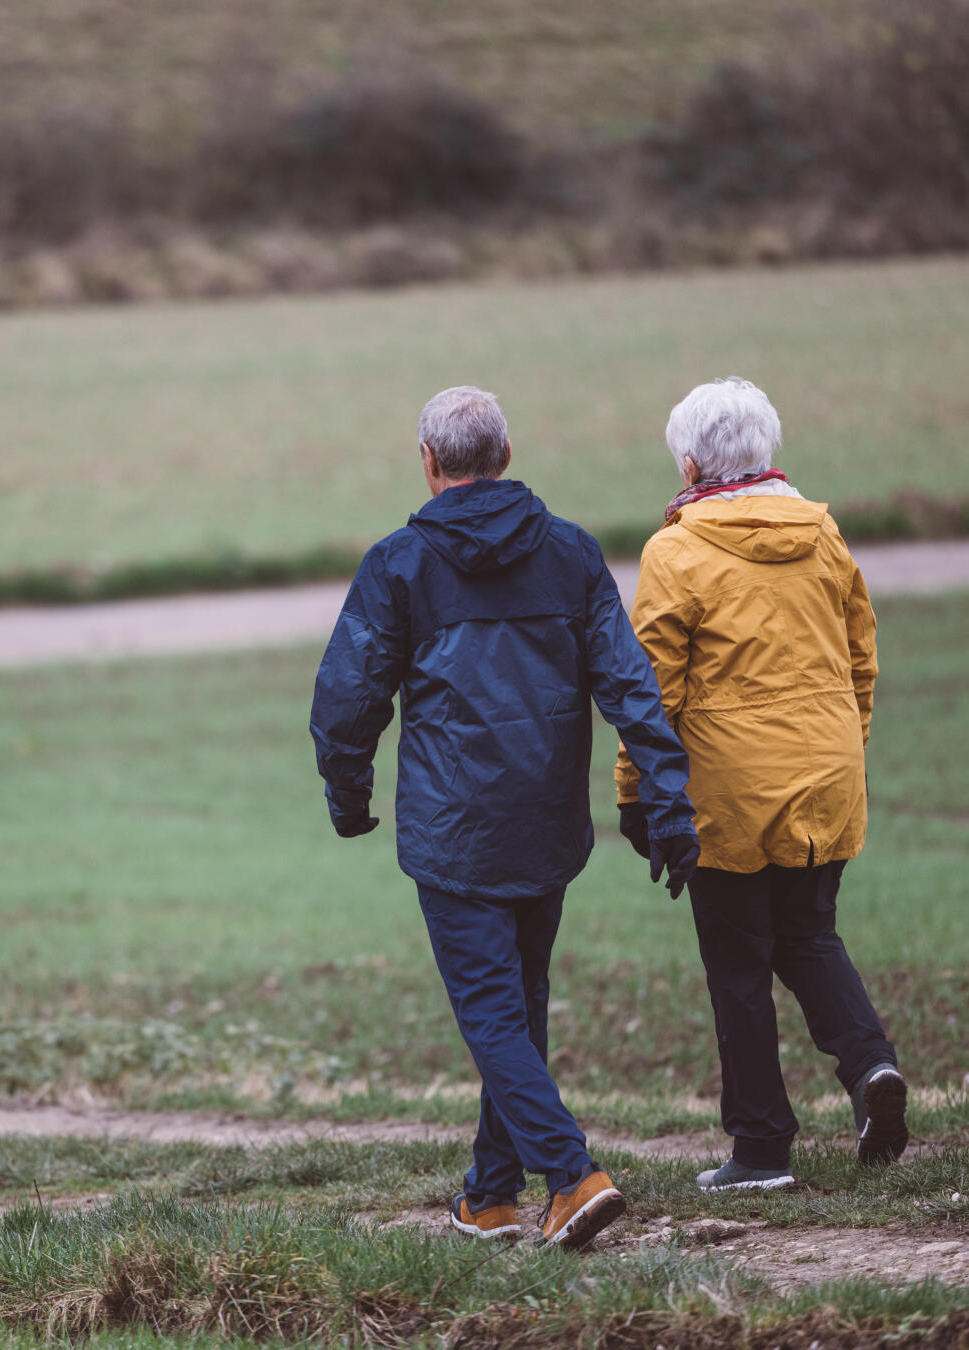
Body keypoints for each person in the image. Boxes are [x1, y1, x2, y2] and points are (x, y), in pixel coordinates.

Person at [311, 386, 699, 1248]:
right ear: (506, 458)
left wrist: (349, 795)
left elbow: (346, 702)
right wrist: (667, 800)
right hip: (549, 825)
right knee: (517, 1008)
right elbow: (633, 686)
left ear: (428, 462)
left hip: (454, 834)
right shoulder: (569, 555)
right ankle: (489, 1197)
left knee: (493, 1015)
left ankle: (573, 1175)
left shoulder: (399, 564)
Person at [614, 377, 907, 1193]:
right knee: (809, 936)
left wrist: (637, 795)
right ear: (767, 452)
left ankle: (761, 1148)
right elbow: (861, 659)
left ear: (690, 460)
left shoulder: (675, 551)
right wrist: (841, 749)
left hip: (731, 793)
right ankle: (871, 1068)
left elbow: (652, 694)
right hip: (827, 774)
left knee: (739, 963)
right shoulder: (823, 533)